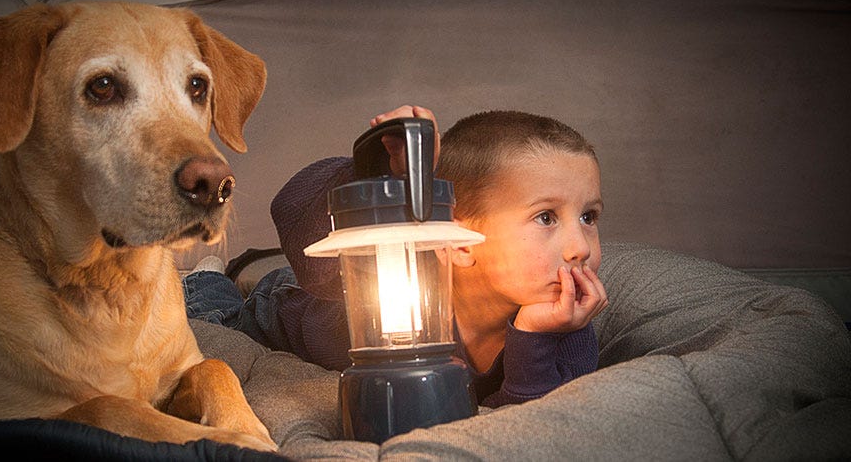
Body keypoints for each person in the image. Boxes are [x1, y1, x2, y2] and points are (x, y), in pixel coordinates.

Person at [184, 105, 608, 407]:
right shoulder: (402, 268)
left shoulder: (566, 325)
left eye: (589, 216)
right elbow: (296, 219)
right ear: (459, 239)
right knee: (217, 311)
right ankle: (209, 277)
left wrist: (533, 336)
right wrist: (373, 172)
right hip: (294, 304)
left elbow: (531, 420)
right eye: (547, 217)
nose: (581, 247)